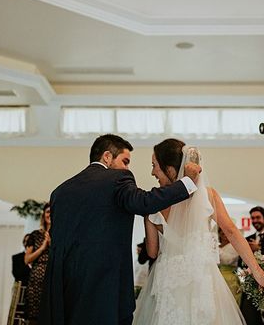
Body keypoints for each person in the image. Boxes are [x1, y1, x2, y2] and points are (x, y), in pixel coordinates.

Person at [41, 134, 201, 325]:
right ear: (107, 157)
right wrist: (187, 183)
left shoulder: (60, 192)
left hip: (61, 288)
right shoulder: (117, 178)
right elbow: (144, 202)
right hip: (103, 287)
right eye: (125, 161)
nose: (127, 168)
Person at [134, 139, 264, 325]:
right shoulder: (207, 195)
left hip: (168, 281)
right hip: (201, 280)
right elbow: (231, 232)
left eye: (154, 166)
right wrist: (258, 272)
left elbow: (152, 252)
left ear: (169, 168)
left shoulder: (154, 204)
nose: (152, 172)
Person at [24, 203, 50, 325]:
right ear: (44, 215)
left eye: (52, 212)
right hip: (36, 281)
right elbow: (27, 259)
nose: (50, 215)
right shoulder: (35, 235)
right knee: (34, 317)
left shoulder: (62, 235)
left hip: (53, 279)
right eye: (48, 211)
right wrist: (43, 247)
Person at [218, 227, 241, 305]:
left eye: (226, 232)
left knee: (229, 303)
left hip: (230, 278)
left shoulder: (234, 246)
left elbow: (228, 260)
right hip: (217, 276)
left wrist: (216, 249)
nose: (224, 235)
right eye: (222, 232)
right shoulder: (218, 246)